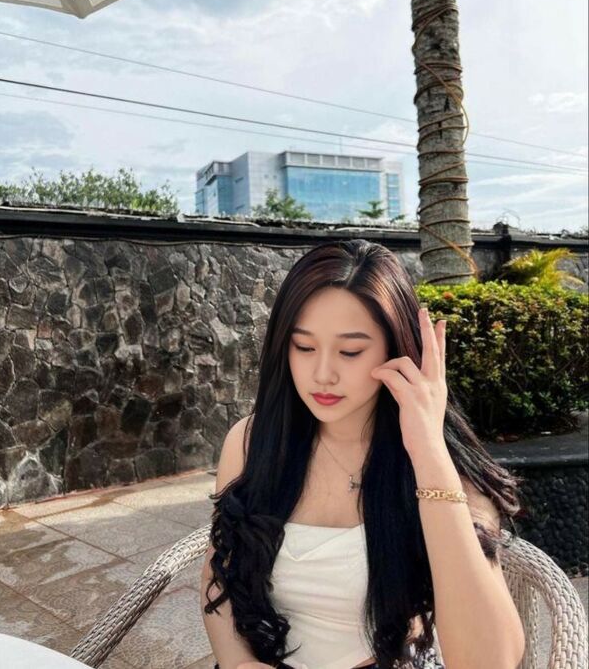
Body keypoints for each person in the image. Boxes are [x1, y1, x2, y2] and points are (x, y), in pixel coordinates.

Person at [200, 239, 525, 669]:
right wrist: (238, 662)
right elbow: (218, 573)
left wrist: (428, 453)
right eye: (304, 347)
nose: (322, 374)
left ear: (396, 349)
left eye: (350, 351)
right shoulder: (251, 442)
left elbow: (490, 661)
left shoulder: (441, 466)